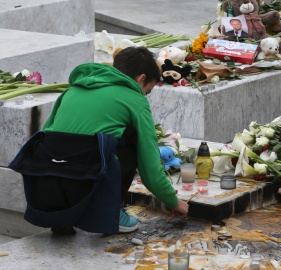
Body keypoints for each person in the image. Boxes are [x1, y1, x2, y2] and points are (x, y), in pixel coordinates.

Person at [10, 47, 188, 234]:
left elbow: (47, 134)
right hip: (86, 177)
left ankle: (62, 217)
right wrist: (174, 202)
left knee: (68, 145)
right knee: (131, 138)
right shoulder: (135, 100)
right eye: (148, 91)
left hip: (48, 183)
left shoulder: (72, 91)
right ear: (141, 79)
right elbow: (149, 164)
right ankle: (112, 214)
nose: (144, 95)